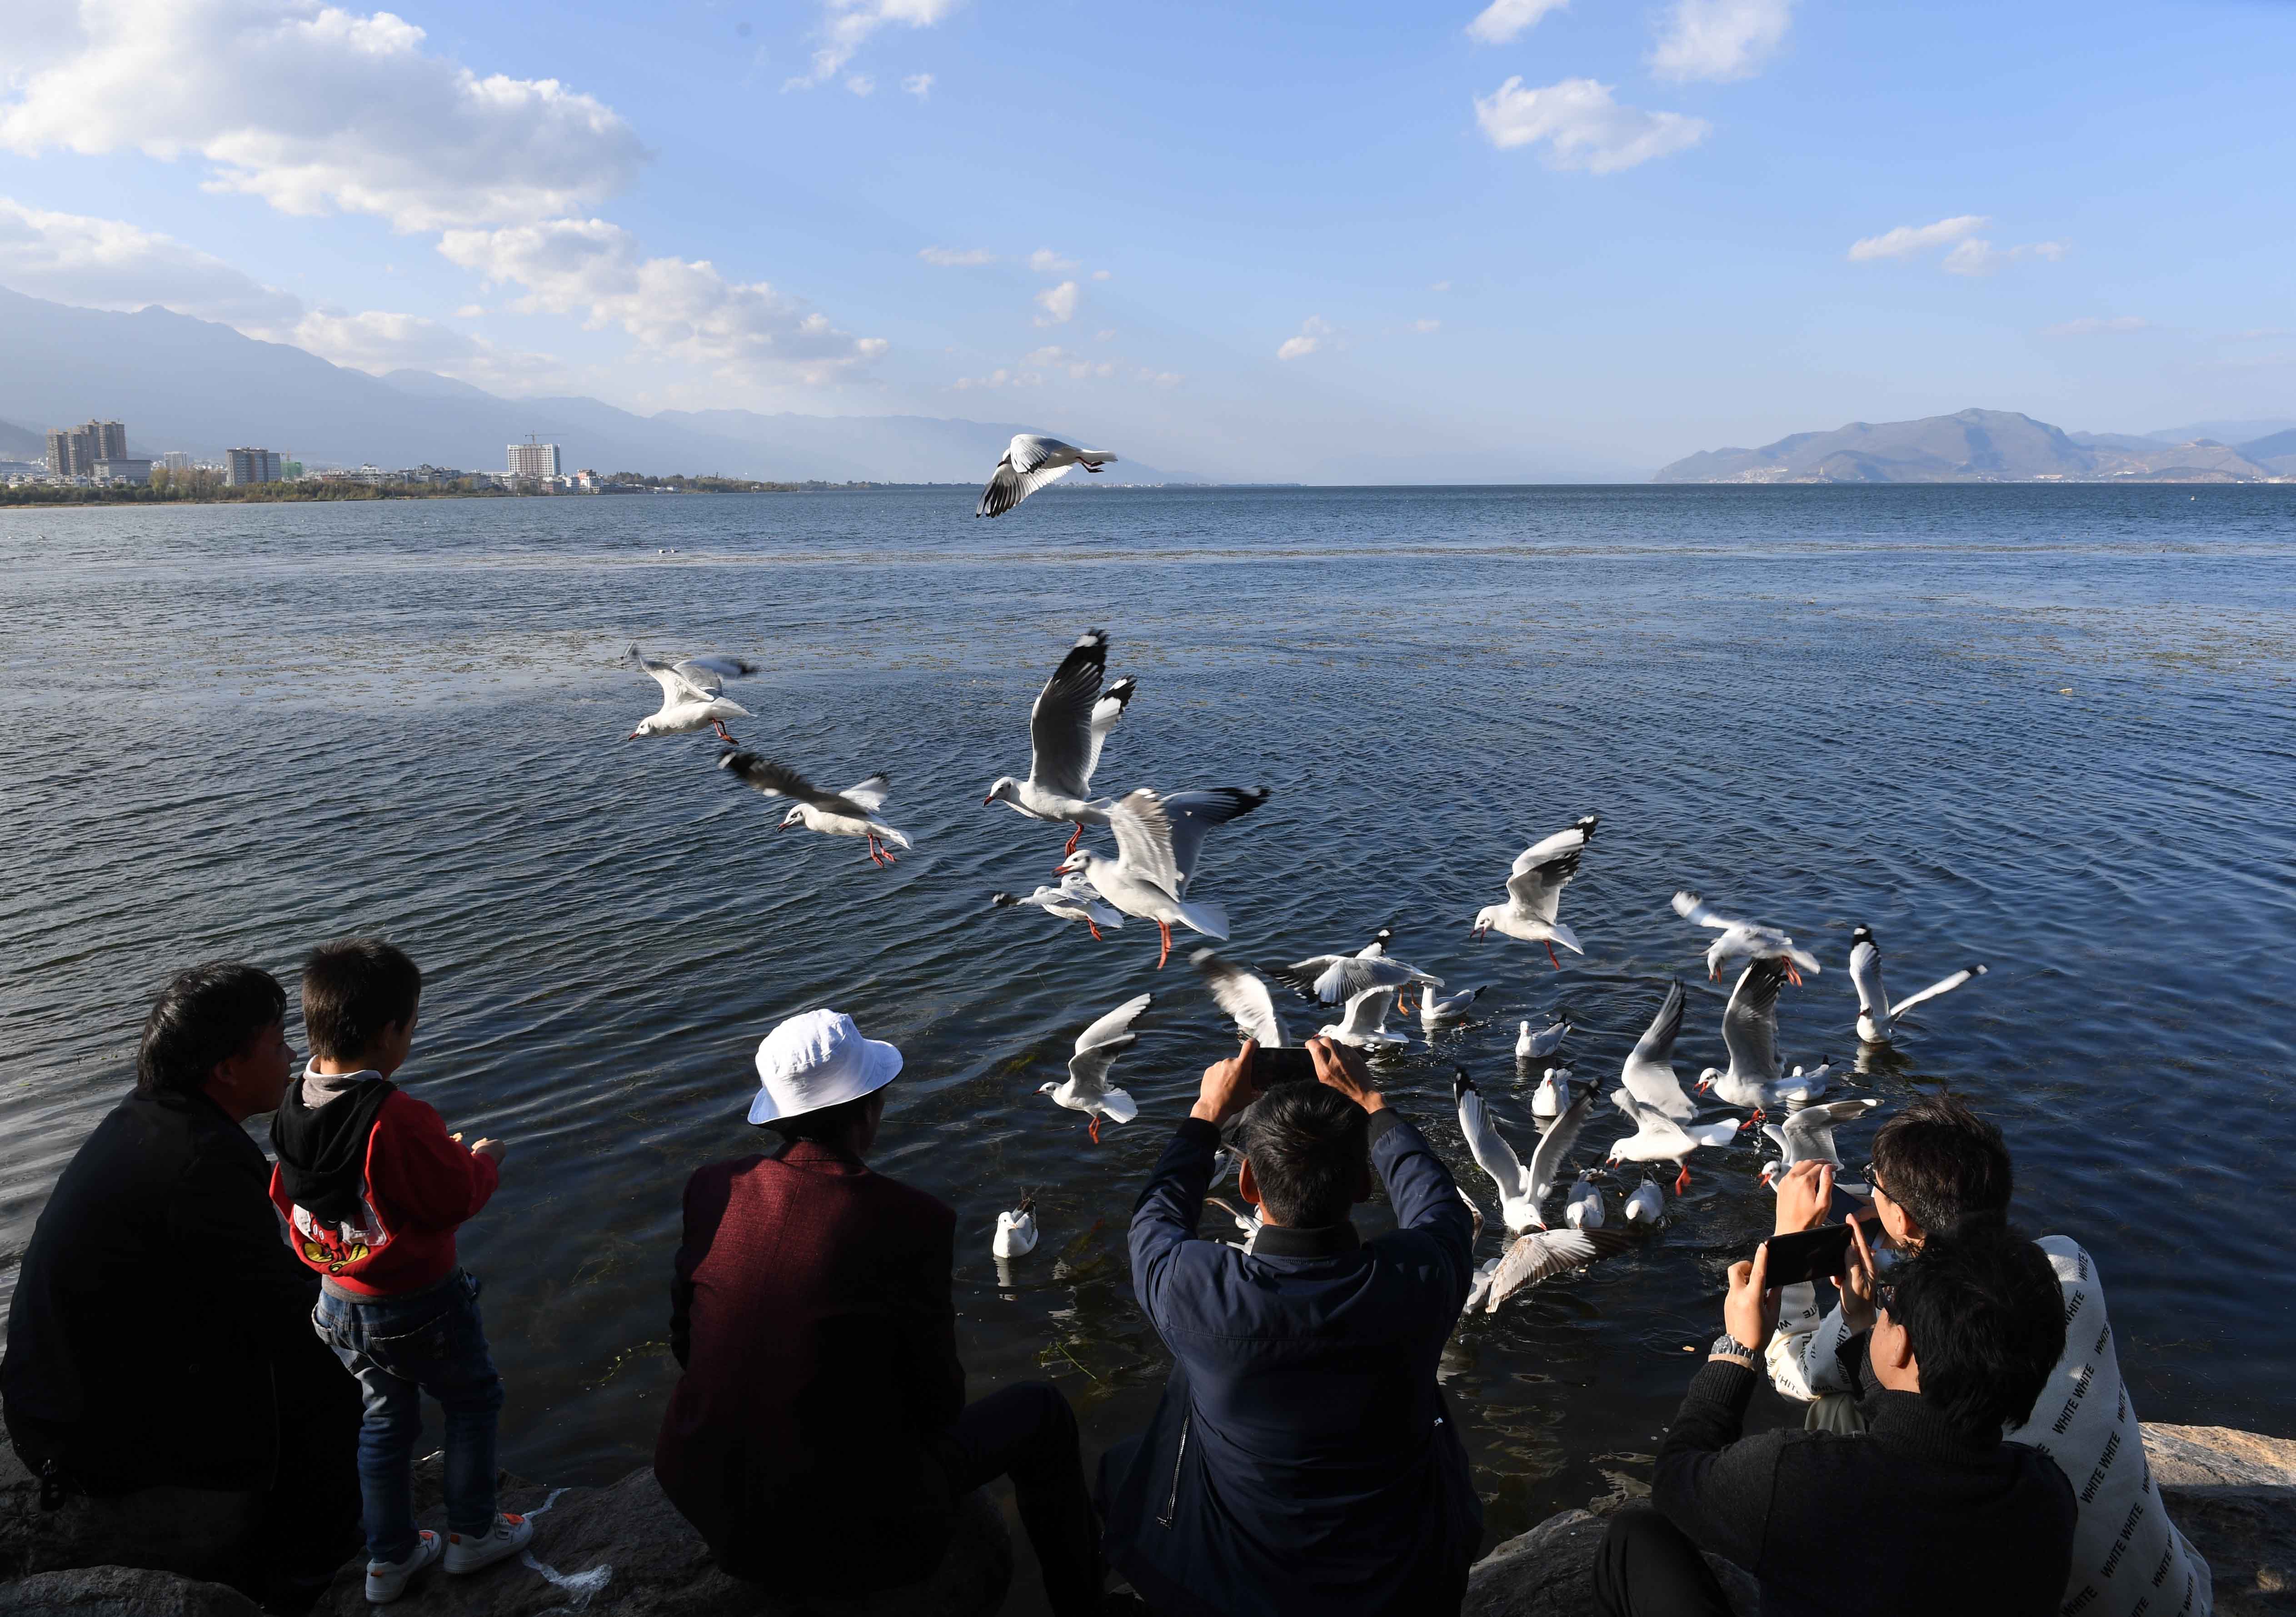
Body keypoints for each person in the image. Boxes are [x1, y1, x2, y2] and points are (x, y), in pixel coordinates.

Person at [652, 1008, 1104, 1614]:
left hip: (703, 1496)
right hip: (851, 1538)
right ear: (868, 1109)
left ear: (778, 1115)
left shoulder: (711, 1187)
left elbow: (687, 1343)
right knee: (1042, 1413)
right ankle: (1086, 1607)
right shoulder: (909, 1219)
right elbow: (937, 1404)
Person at [1, 962, 360, 1613]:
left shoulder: (147, 1118)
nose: (292, 1055)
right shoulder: (202, 1163)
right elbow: (288, 1313)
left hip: (47, 1409)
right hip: (90, 1443)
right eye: (277, 1041)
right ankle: (311, 1569)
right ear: (225, 1067)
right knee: (337, 1367)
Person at [1765, 1096, 2213, 1616]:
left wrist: (1790, 1239)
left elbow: (1790, 1371)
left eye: (1874, 1181)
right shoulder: (2070, 1261)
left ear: (1903, 1217)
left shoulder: (1902, 1330)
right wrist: (1903, 1235)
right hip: (2179, 1598)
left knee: (1830, 1408)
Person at [1099, 1038, 1482, 1617]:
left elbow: (1155, 1215)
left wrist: (1207, 1115)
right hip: (1408, 1581)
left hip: (1237, 1589)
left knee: (1131, 1452)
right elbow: (1441, 1207)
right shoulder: (1422, 1275)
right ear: (1363, 1186)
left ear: (1248, 1184)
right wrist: (1372, 1101)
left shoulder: (1194, 1288)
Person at [1597, 1223, 2077, 1617]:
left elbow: (1678, 1478)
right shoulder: (2046, 1492)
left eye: (1891, 1310)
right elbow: (1913, 1419)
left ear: (1905, 1345)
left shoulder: (1802, 1480)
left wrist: (1738, 1350)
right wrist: (1865, 1319)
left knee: (1634, 1537)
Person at [267, 939, 529, 1604]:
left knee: (383, 1419)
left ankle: (388, 1559)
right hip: (420, 1302)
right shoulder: (398, 1117)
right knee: (473, 1400)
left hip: (336, 1299)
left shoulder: (293, 1106)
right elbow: (452, 1200)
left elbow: (297, 1190)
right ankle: (473, 1535)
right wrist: (482, 1160)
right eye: (411, 1025)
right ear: (391, 1033)